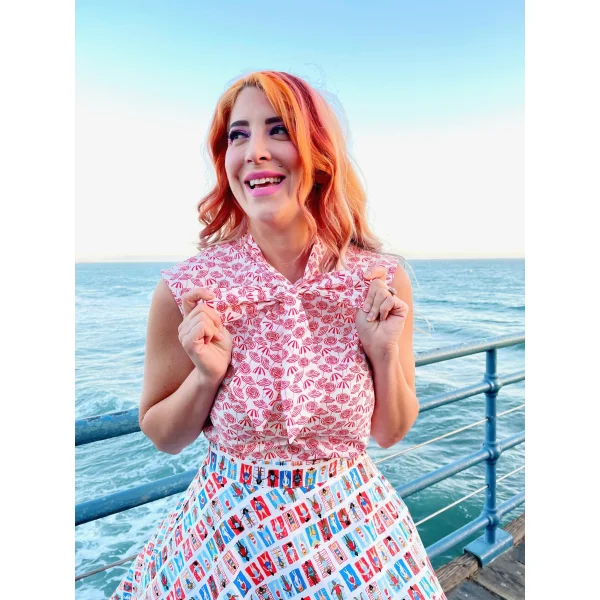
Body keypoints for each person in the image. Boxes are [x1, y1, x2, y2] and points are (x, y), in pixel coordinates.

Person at [111, 70, 447, 599]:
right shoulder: (190, 290)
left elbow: (390, 432)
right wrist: (205, 377)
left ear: (320, 154)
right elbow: (163, 436)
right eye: (238, 135)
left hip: (353, 539)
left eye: (279, 130)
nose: (256, 151)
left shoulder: (377, 279)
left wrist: (383, 354)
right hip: (226, 549)